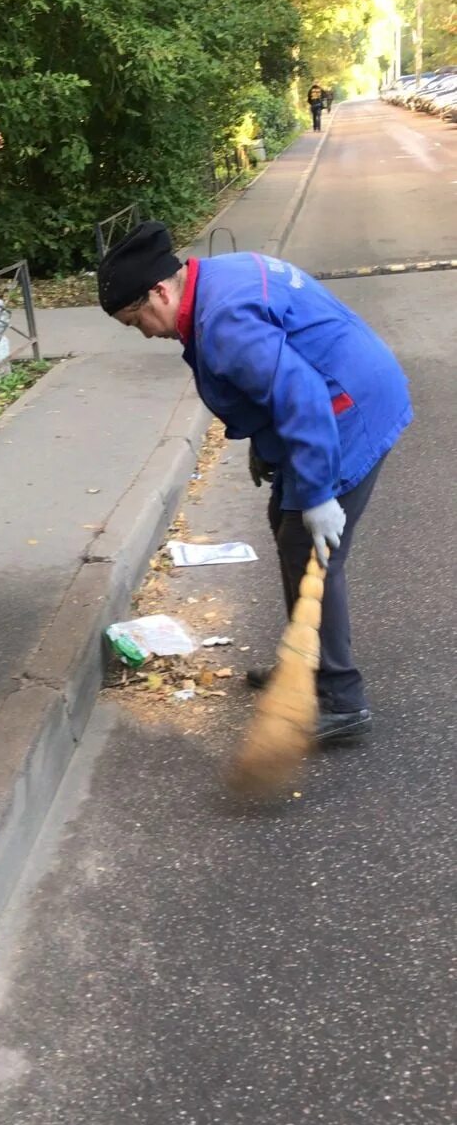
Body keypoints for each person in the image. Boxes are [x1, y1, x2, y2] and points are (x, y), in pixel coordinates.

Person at [98, 222, 412, 744]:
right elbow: (268, 381)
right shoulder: (214, 279)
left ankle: (340, 699)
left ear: (160, 290)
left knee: (311, 548)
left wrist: (316, 495)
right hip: (342, 393)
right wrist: (267, 448)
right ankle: (301, 667)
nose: (147, 332)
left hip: (346, 410)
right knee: (286, 528)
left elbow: (302, 396)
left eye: (138, 319)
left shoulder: (223, 321)